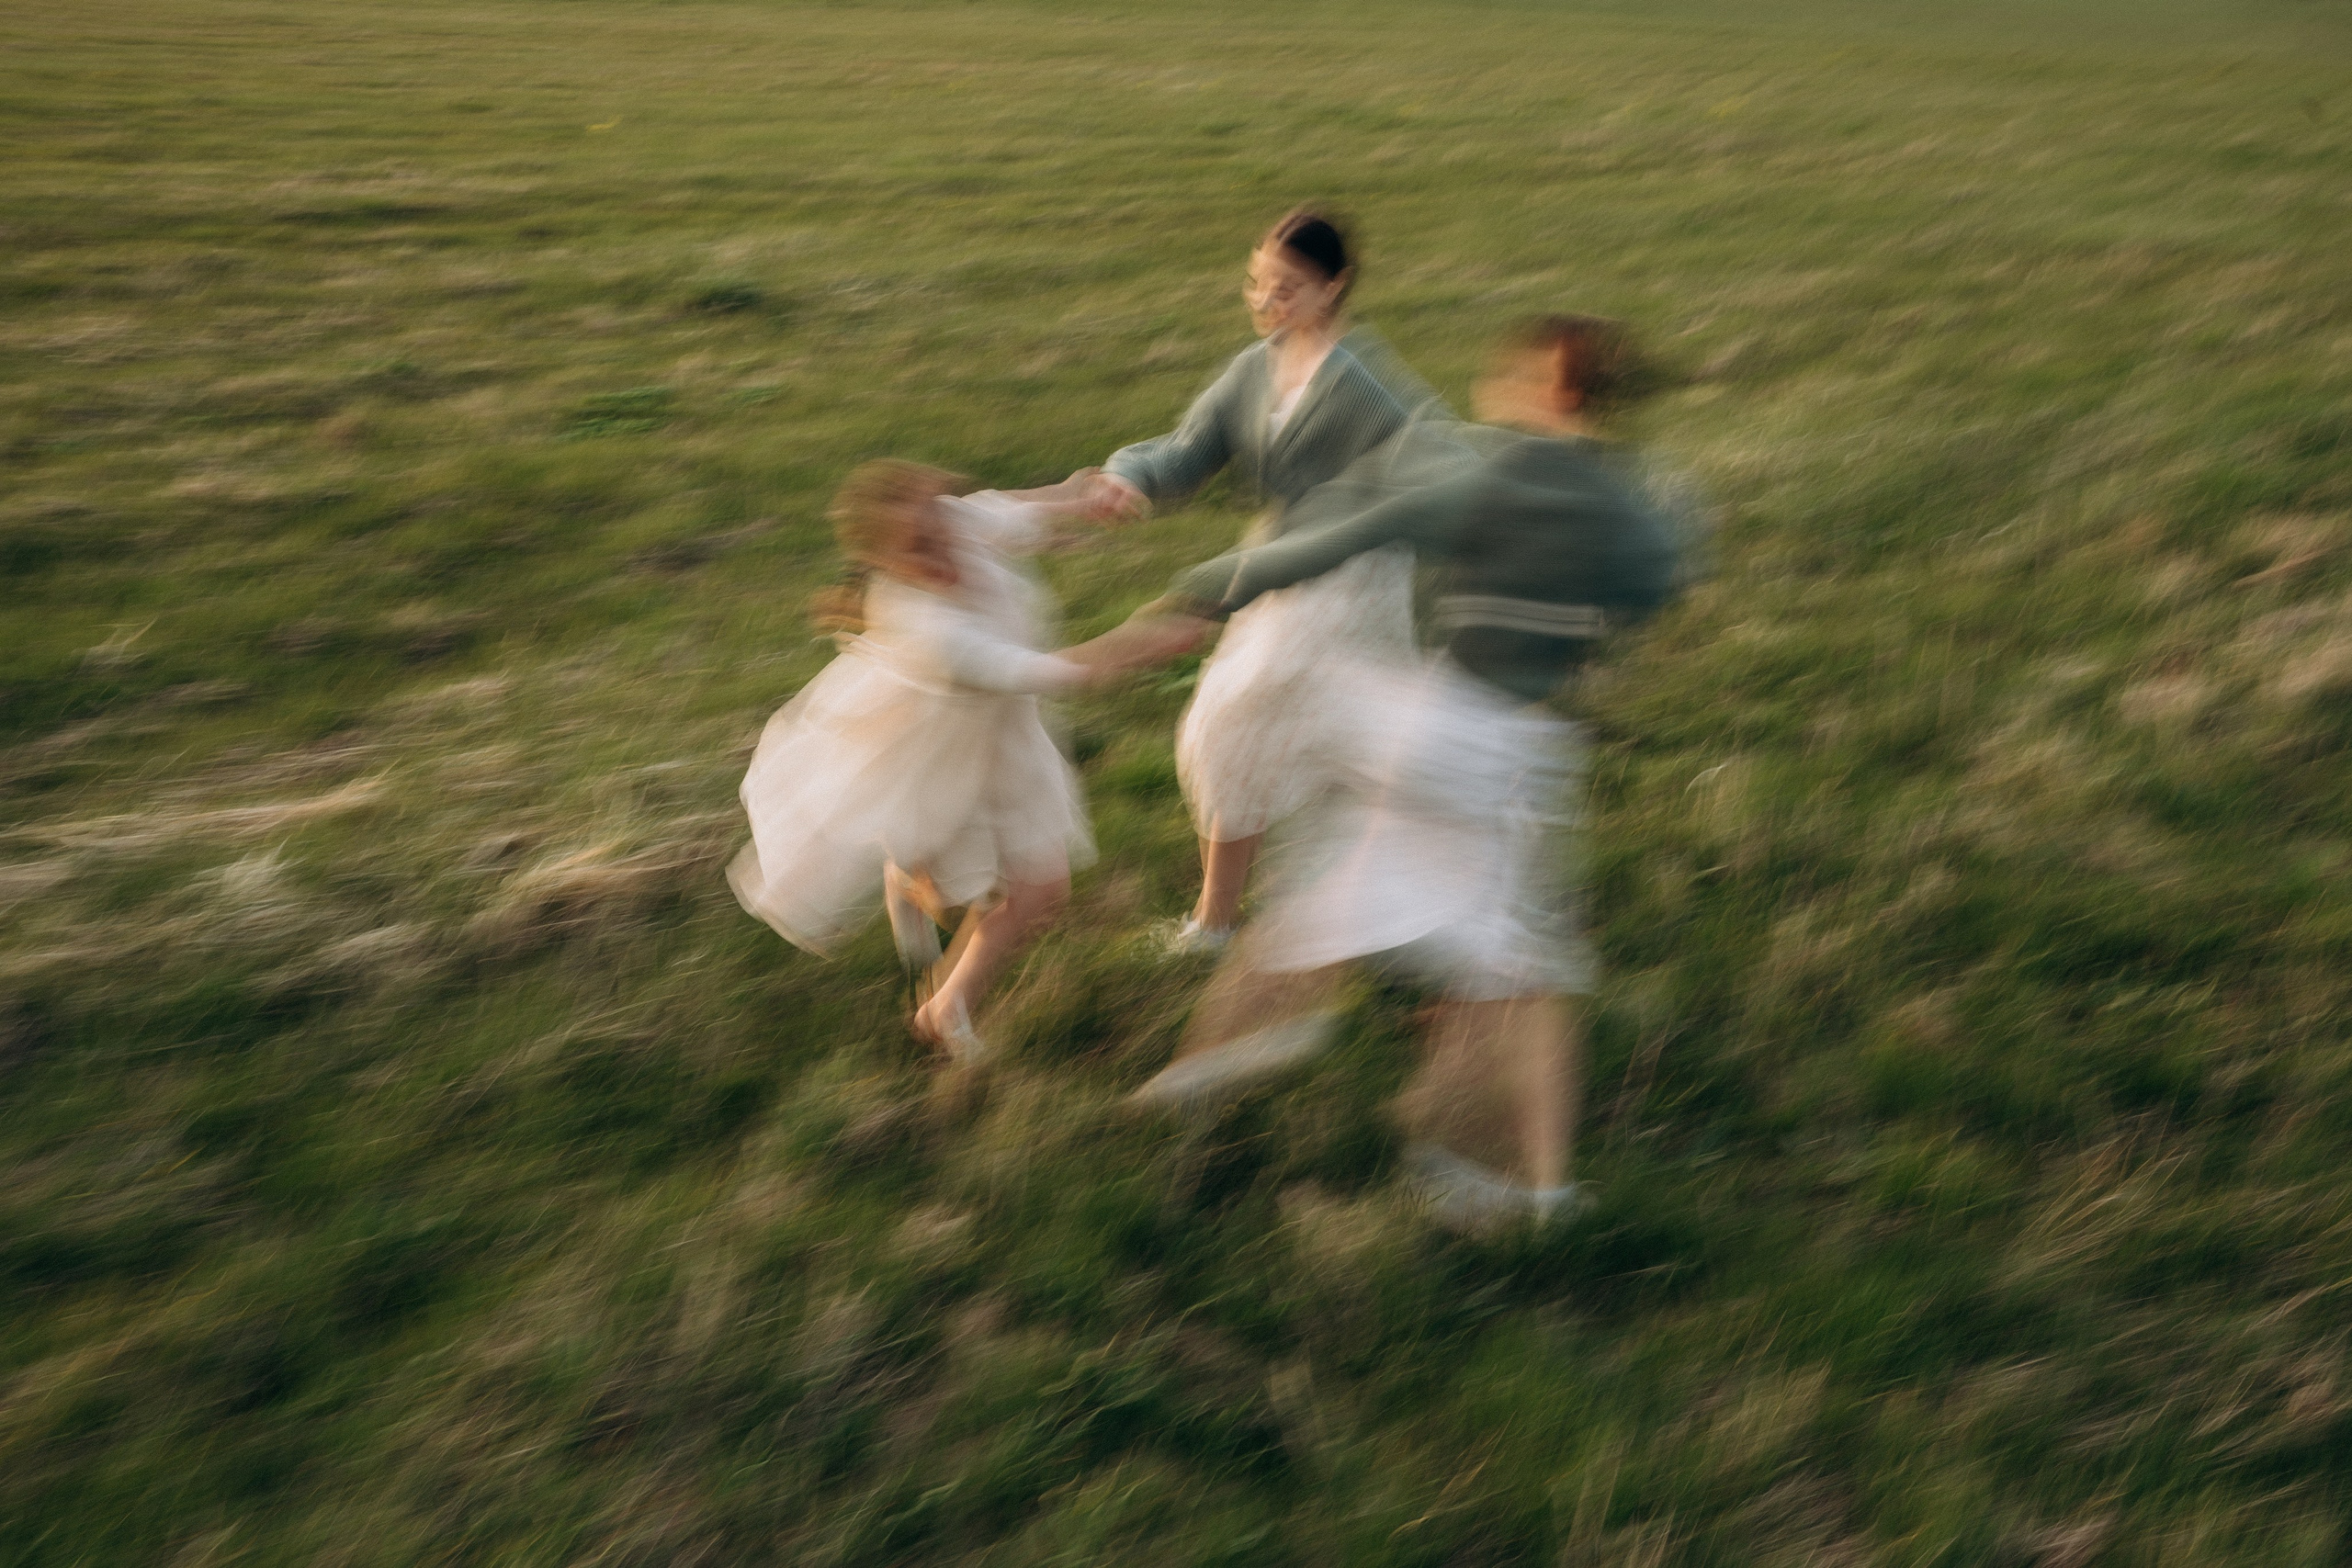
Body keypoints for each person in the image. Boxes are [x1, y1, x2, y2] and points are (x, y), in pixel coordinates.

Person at [1087, 315, 1686, 1228]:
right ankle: (1513, 1186)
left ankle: (1202, 1071)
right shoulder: (1624, 505)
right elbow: (1653, 583)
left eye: (1517, 367)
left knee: (1326, 903)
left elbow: (1342, 532)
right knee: (1525, 974)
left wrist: (1207, 592)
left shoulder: (1480, 468)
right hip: (1502, 752)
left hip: (1414, 723)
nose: (1499, 380)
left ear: (1554, 385)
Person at [1080, 209, 1462, 953]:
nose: (1265, 301)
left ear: (1334, 288)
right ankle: (1223, 920)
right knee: (1284, 741)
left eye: (1287, 288)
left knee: (1238, 722)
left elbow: (1442, 460)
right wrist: (1129, 478)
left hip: (1350, 580)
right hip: (1275, 575)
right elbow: (1188, 450)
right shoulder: (1252, 371)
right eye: (1256, 283)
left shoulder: (1361, 384)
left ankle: (1398, 905)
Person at [728, 460, 1126, 1066]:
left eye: (939, 514)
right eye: (920, 541)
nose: (945, 538)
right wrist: (1145, 639)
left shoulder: (958, 522)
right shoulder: (925, 627)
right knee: (1018, 892)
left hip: (1011, 741)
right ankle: (943, 999)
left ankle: (936, 968)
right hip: (945, 758)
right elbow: (1030, 671)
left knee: (1036, 892)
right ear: (885, 561)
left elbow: (1009, 506)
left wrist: (1079, 497)